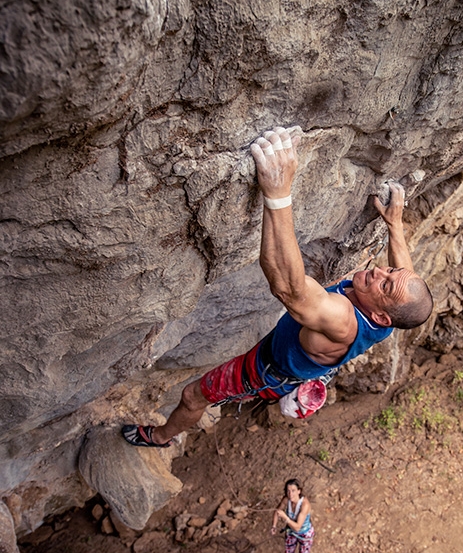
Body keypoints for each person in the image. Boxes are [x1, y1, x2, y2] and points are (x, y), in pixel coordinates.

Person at [122, 126, 433, 447]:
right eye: (389, 271)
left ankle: (159, 437)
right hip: (295, 355)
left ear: (382, 317)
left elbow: (289, 288)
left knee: (192, 395)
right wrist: (394, 225)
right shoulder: (393, 314)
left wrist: (277, 190)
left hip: (264, 369)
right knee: (393, 284)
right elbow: (405, 277)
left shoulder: (342, 318)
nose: (379, 271)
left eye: (385, 285)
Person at [271, 478, 314, 553]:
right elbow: (277, 511)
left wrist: (285, 518)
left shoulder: (305, 505)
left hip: (304, 532)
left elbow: (298, 527)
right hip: (291, 531)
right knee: (289, 549)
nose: (290, 494)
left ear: (299, 491)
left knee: (304, 552)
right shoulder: (286, 499)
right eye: (288, 491)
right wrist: (274, 525)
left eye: (293, 490)